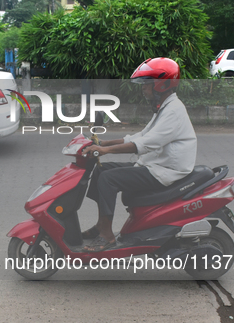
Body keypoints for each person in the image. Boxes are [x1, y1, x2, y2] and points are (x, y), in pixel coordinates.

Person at [81, 57, 197, 252]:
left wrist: (105, 150)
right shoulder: (165, 107)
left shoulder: (173, 111)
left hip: (164, 171)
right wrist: (103, 143)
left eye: (147, 84)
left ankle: (107, 235)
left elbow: (145, 143)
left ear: (161, 85)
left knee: (109, 179)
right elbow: (141, 136)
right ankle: (102, 225)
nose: (143, 88)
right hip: (155, 164)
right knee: (102, 170)